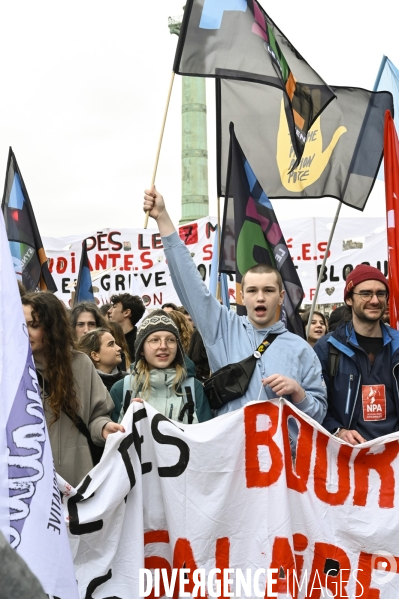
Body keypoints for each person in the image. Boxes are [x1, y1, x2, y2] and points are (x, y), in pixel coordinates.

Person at [142, 189, 327, 434]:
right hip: (234, 461)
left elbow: (320, 415)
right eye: (252, 290)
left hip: (284, 463)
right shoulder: (223, 329)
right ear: (241, 296)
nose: (260, 297)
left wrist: (298, 392)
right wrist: (163, 218)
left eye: (269, 290)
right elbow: (191, 285)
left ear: (281, 296)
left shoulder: (301, 348)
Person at [22, 292, 124, 486]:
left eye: (33, 325)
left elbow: (97, 415)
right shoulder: (10, 371)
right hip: (30, 484)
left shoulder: (81, 364)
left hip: (78, 482)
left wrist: (103, 428)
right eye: (22, 323)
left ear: (53, 327)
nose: (25, 331)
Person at [313, 264, 399, 445]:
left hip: (394, 455)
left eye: (381, 293)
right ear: (349, 299)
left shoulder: (397, 345)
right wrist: (337, 430)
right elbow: (315, 404)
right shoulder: (328, 348)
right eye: (366, 293)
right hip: (349, 455)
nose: (375, 300)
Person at [110, 310, 212, 424]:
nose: (163, 346)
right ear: (141, 349)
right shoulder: (122, 389)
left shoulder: (193, 387)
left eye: (170, 340)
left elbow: (205, 436)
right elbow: (114, 439)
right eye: (154, 340)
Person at [108, 293, 145, 361]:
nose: (109, 311)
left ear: (126, 313)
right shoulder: (107, 337)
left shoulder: (140, 342)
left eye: (114, 307)